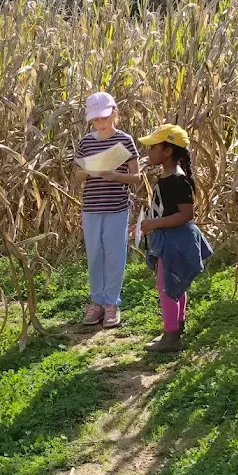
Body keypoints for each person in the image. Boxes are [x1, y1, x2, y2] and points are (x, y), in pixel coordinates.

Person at [138, 124, 212, 353]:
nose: (148, 153)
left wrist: (156, 224)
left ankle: (171, 337)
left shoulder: (177, 181)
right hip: (171, 238)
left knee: (167, 287)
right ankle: (176, 328)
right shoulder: (167, 178)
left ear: (167, 151)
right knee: (173, 284)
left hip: (176, 241)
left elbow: (186, 214)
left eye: (152, 148)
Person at [74, 92, 141, 328]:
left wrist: (117, 176)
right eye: (96, 120)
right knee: (94, 256)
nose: (100, 123)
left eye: (104, 118)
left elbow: (136, 177)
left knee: (115, 256)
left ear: (114, 113)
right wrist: (89, 171)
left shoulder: (125, 140)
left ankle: (111, 303)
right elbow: (77, 175)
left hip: (116, 207)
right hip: (91, 207)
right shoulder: (86, 142)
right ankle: (96, 303)